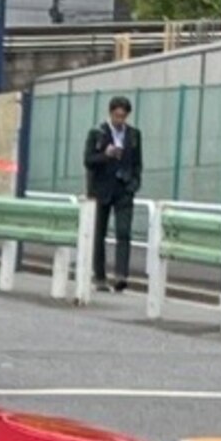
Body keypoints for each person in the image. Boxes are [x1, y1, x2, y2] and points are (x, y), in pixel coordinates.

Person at [83, 97, 143, 295]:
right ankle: (99, 276)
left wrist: (134, 184)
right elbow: (88, 160)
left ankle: (121, 275)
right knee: (99, 234)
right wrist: (106, 155)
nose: (120, 120)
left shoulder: (134, 135)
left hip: (123, 189)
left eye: (123, 116)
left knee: (124, 231)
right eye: (117, 116)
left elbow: (137, 163)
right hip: (101, 189)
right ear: (110, 113)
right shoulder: (97, 133)